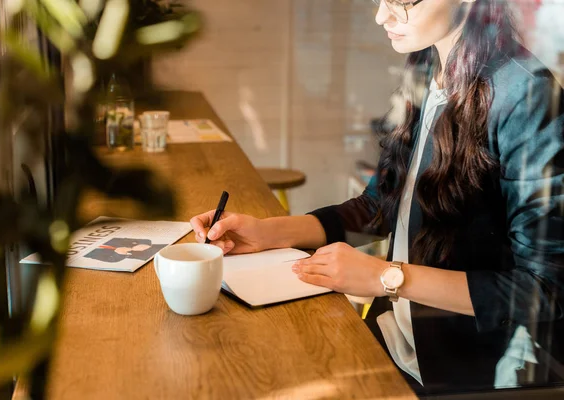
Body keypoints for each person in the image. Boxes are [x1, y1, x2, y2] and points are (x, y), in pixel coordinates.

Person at [190, 0, 564, 394]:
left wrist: (387, 277)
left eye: (402, 2)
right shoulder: (426, 67)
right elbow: (378, 206)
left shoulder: (526, 95)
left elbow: (544, 291)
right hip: (397, 342)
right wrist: (268, 233)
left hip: (477, 372)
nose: (382, 17)